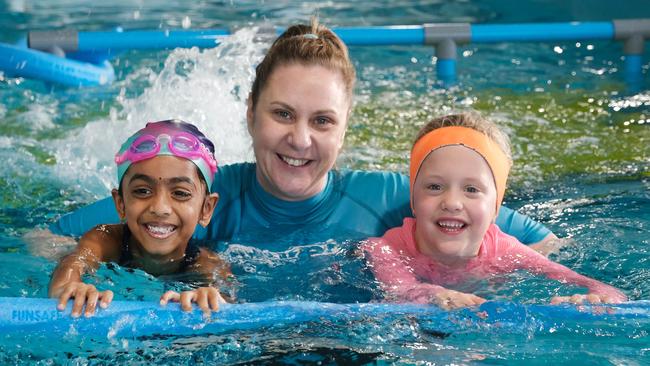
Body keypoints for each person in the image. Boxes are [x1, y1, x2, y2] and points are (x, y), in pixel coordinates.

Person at [45, 19, 558, 262]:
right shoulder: (192, 195)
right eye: (283, 114)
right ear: (250, 115)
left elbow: (546, 244)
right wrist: (103, 246)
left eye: (323, 121)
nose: (300, 139)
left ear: (345, 128)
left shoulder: (398, 199)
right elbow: (45, 240)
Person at [363, 112, 627, 310]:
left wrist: (597, 298)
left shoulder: (507, 252)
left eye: (472, 189)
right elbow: (402, 290)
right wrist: (436, 295)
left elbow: (595, 286)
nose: (453, 202)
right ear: (413, 198)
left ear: (495, 208)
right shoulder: (385, 249)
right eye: (434, 186)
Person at [49, 120, 233, 318]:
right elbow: (74, 261)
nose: (160, 208)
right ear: (120, 204)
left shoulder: (208, 263)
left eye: (180, 193)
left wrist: (209, 298)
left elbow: (228, 301)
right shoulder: (105, 240)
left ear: (206, 209)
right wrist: (69, 286)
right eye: (142, 191)